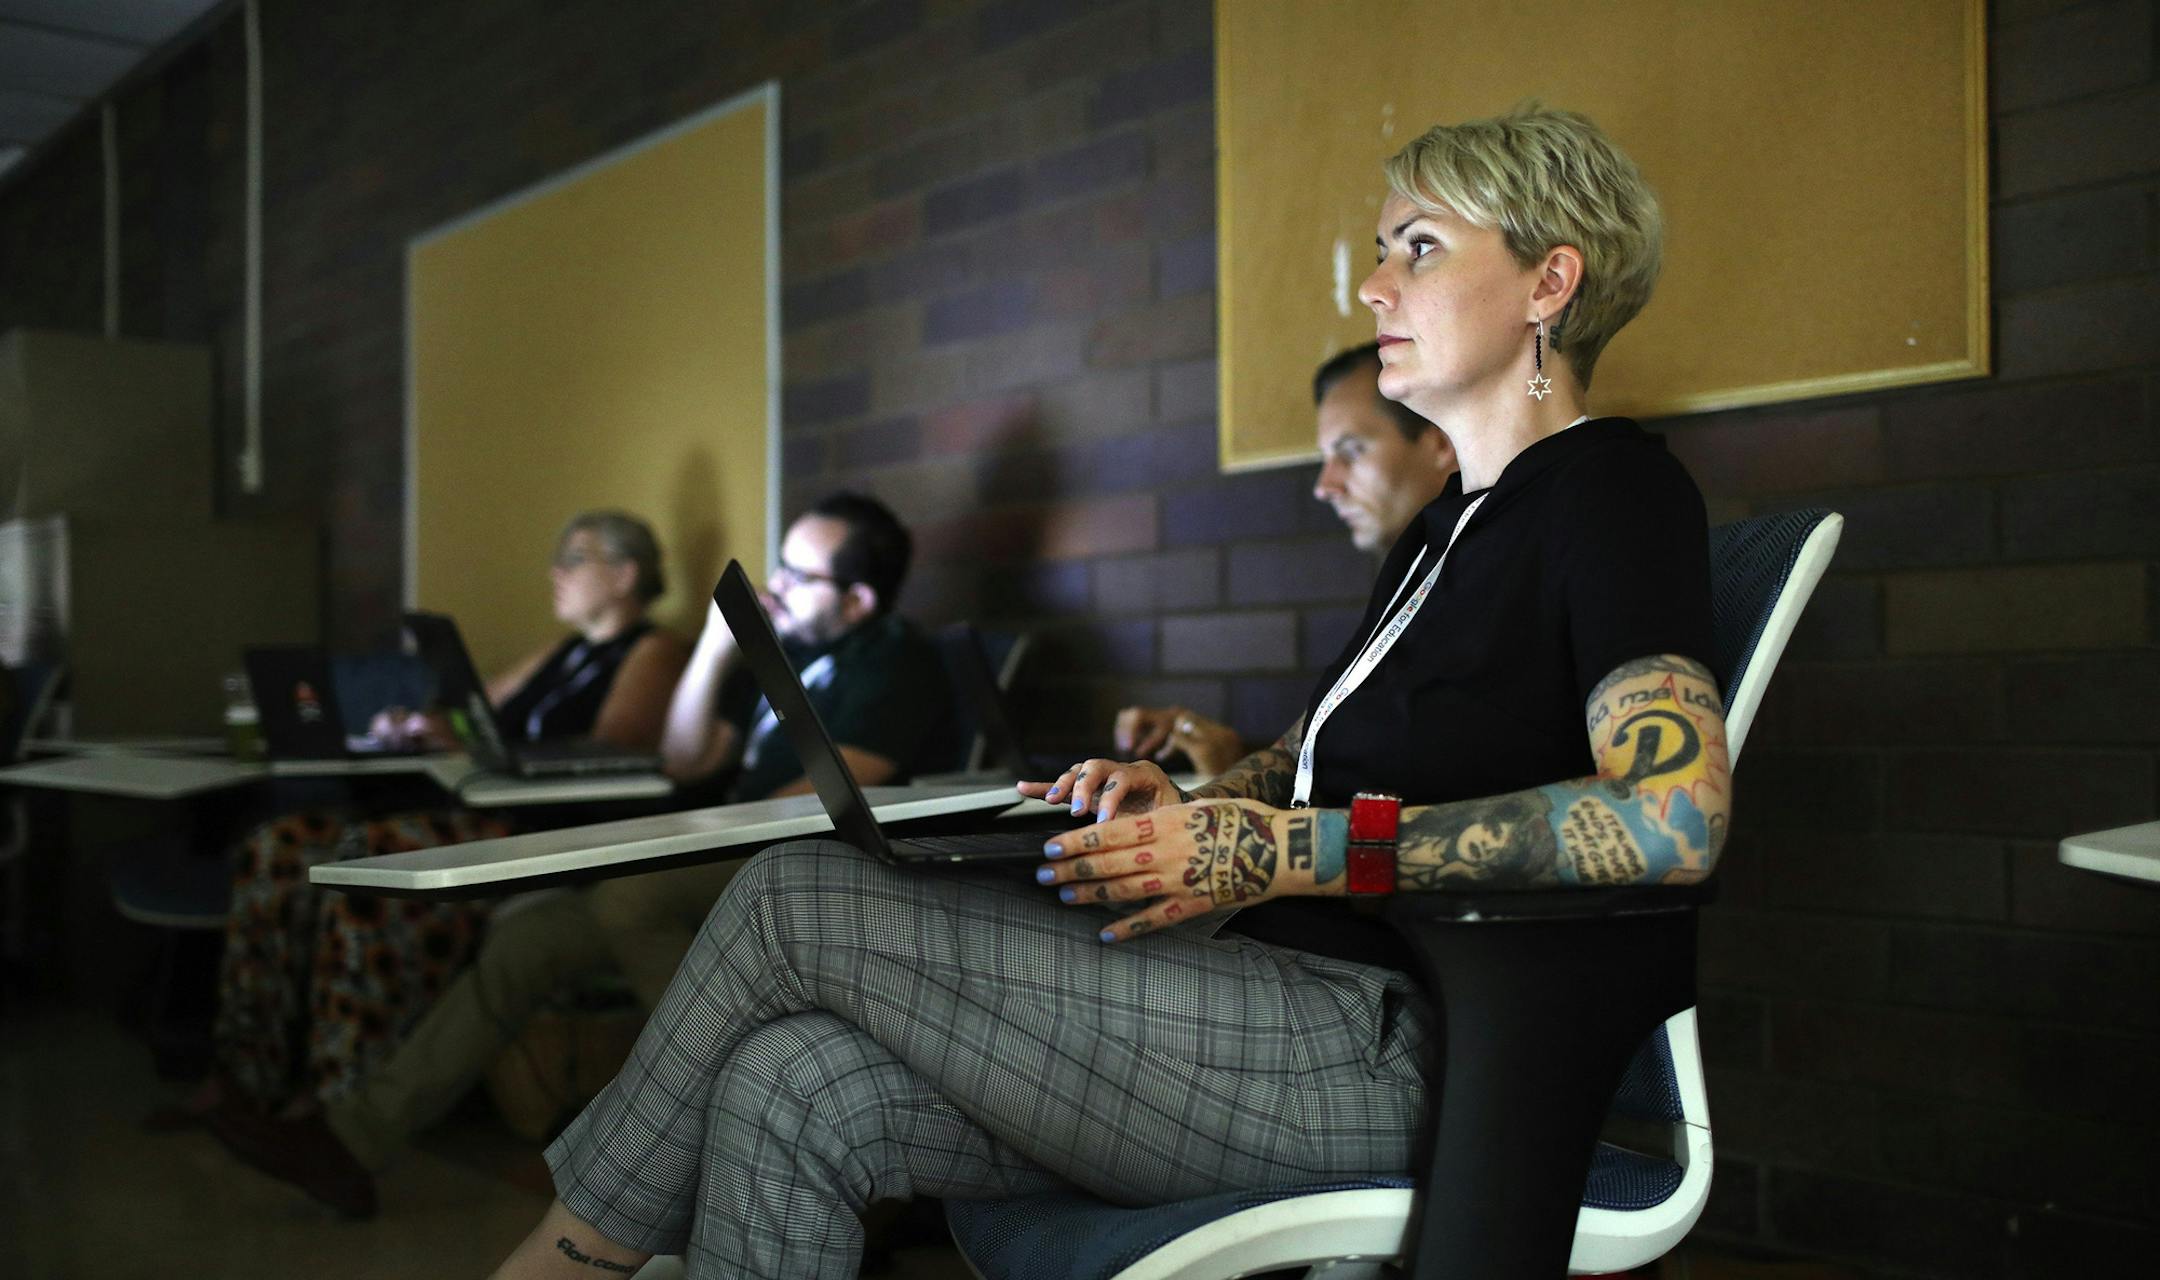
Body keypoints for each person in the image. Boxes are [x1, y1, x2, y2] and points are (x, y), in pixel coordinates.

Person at [491, 103, 1727, 1278]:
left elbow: (1676, 816)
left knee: (790, 895)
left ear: (1549, 285)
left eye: (1418, 248)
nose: (1372, 286)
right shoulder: (1443, 531)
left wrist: (1283, 848)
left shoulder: (1611, 494)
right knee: (792, 1080)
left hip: (1395, 1045)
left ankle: (560, 1262)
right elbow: (1310, 763)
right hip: (1262, 998)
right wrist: (1190, 797)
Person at [210, 492, 959, 1219]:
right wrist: (714, 647)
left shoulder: (892, 661)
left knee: (630, 900)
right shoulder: (781, 656)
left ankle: (731, 1151)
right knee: (529, 941)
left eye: (800, 574)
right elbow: (684, 759)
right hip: (727, 849)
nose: (778, 586)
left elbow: (830, 798)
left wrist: (682, 834)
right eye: (781, 567)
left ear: (857, 601)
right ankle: (350, 1143)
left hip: (809, 863)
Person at [191, 514, 688, 1162]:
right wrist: (425, 724)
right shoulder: (565, 649)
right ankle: (247, 1075)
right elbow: (475, 709)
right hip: (478, 812)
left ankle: (332, 1105)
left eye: (574, 558)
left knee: (364, 869)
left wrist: (470, 741)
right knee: (277, 848)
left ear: (624, 575)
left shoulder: (657, 651)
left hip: (538, 832)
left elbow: (609, 750)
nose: (555, 572)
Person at [1117, 343, 1458, 775]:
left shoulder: (1481, 578)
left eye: (1350, 451)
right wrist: (1235, 765)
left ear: (1440, 442)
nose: (1324, 485)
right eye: (1326, 458)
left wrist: (1237, 782)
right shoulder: (1412, 575)